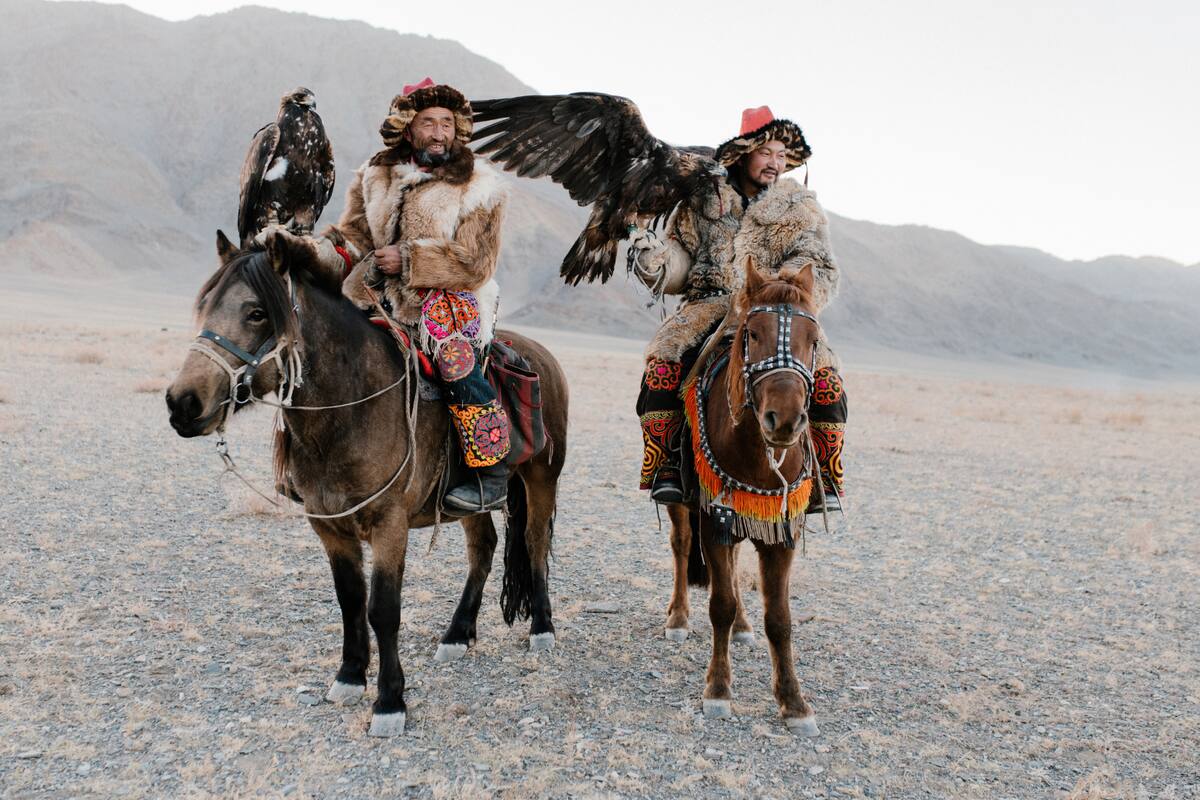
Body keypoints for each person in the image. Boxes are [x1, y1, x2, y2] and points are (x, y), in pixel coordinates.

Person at [631, 106, 847, 512]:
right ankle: (668, 468)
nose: (776, 162)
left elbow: (818, 265)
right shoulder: (703, 199)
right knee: (662, 366)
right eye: (766, 152)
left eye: (783, 155)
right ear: (744, 152)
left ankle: (826, 479)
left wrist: (778, 288)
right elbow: (682, 260)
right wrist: (656, 262)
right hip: (709, 306)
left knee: (828, 381)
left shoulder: (800, 209)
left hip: (779, 309)